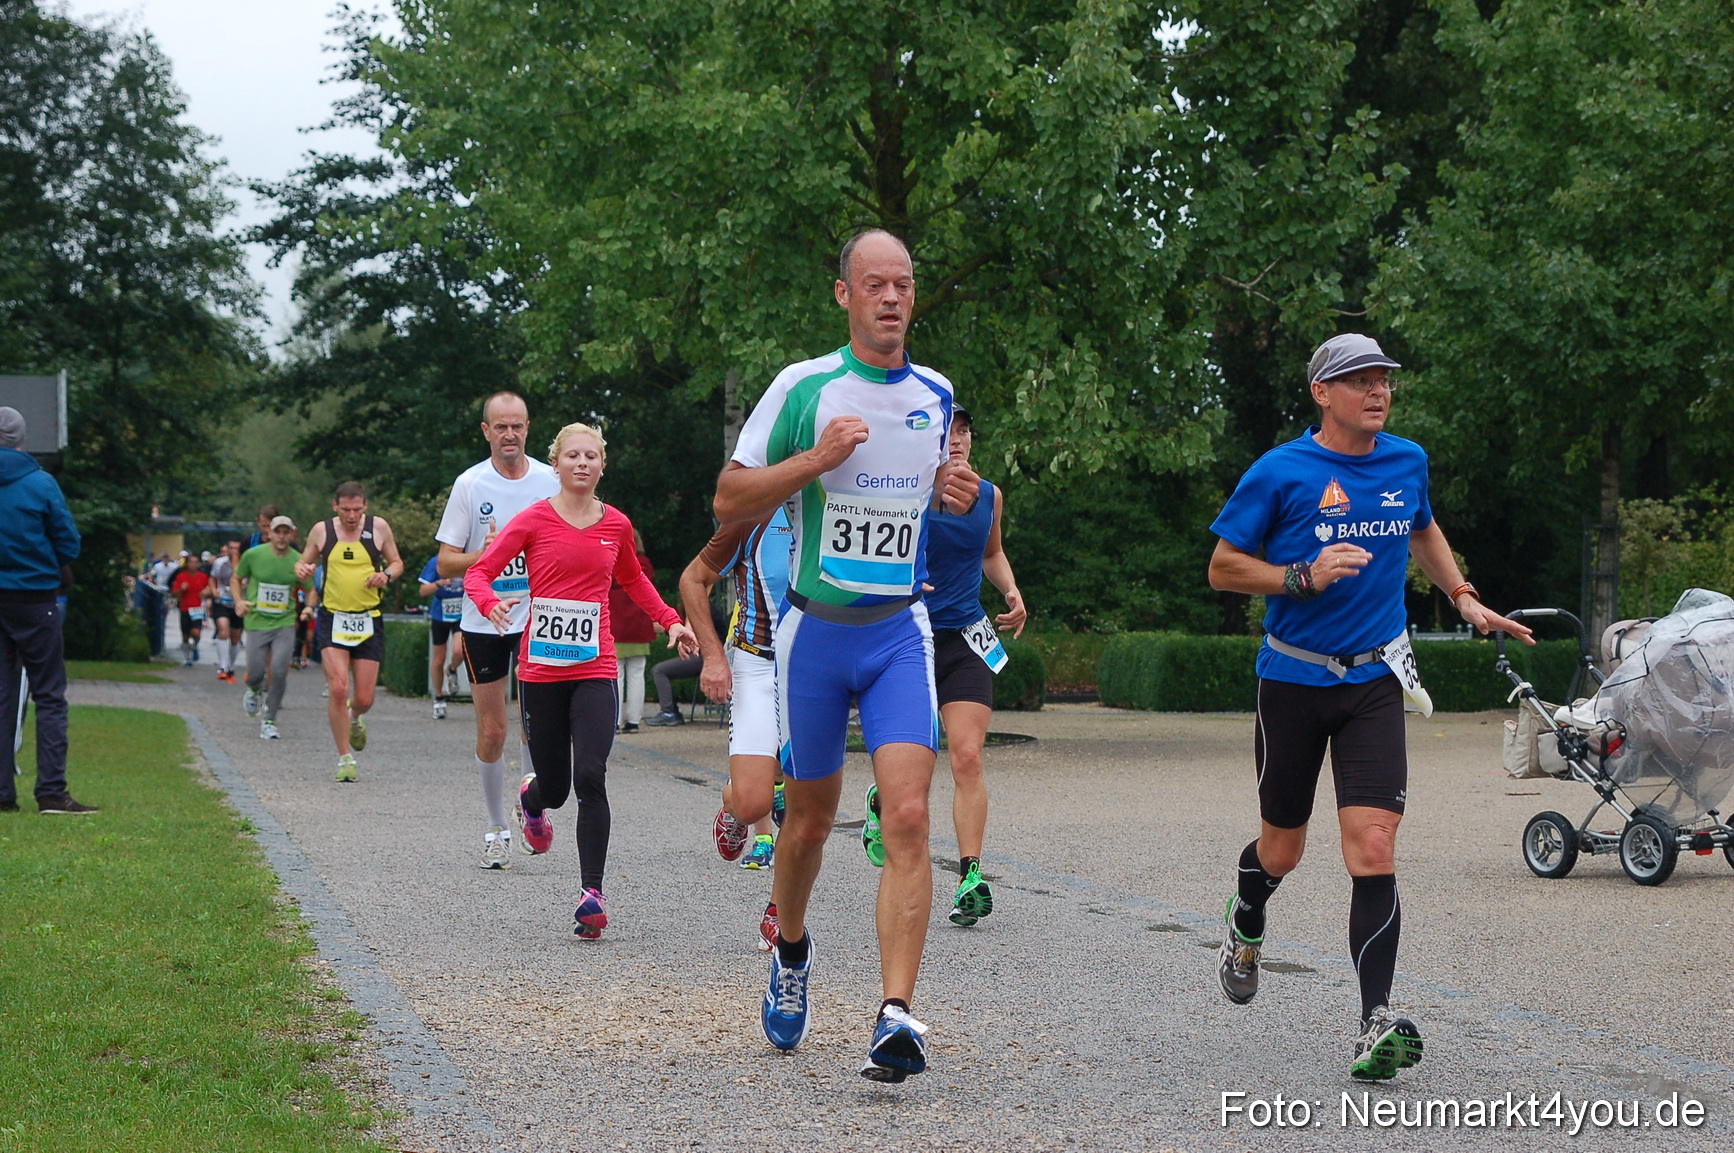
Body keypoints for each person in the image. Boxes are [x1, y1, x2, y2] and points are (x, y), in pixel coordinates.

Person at [1206, 332, 1535, 1081]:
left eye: (1383, 378)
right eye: (1359, 380)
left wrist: (1464, 596)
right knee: (1281, 849)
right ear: (1322, 393)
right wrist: (1300, 576)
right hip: (1291, 681)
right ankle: (1247, 917)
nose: (1378, 391)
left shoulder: (1407, 460)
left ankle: (1373, 1021)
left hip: (1375, 681)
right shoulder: (1281, 471)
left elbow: (1422, 527)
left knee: (1374, 847)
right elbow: (1223, 567)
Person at [712, 229, 977, 1081]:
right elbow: (728, 495)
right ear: (845, 296)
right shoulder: (805, 387)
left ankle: (897, 1013)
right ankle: (790, 949)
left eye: (904, 284)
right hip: (815, 637)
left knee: (906, 817)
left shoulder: (936, 393)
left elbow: (923, 496)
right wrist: (816, 459)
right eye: (875, 284)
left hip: (900, 634)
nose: (893, 298)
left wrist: (948, 493)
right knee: (808, 822)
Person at [465, 422, 697, 936]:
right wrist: (489, 604)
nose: (583, 464)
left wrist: (671, 620)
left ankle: (592, 894)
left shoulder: (615, 525)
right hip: (543, 671)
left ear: (602, 465)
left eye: (591, 456)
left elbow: (634, 579)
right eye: (572, 456)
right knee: (555, 789)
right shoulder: (532, 520)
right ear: (558, 463)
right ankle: (531, 800)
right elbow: (478, 572)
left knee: (591, 776)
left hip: (594, 669)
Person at [896, 406, 1027, 927]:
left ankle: (970, 875)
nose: (957, 439)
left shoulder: (990, 497)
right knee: (915, 763)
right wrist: (904, 581)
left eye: (965, 430)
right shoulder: (907, 490)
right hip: (911, 638)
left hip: (968, 637)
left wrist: (1012, 590)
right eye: (947, 430)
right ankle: (884, 797)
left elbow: (990, 552)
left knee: (968, 755)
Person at [436, 391, 560, 867]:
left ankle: (533, 812)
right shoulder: (470, 484)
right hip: (484, 618)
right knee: (494, 731)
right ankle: (495, 828)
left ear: (528, 429)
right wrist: (485, 557)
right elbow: (448, 561)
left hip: (538, 616)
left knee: (537, 728)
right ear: (486, 431)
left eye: (518, 426)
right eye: (500, 427)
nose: (510, 434)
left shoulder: (551, 481)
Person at [681, 507, 794, 944]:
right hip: (756, 663)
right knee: (753, 801)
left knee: (803, 804)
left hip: (810, 666)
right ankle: (732, 808)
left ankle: (780, 908)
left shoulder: (833, 503)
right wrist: (713, 657)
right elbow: (694, 579)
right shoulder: (754, 513)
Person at [0, 406, 93, 815]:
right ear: (23, 440)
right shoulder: (41, 484)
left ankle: (2, 794)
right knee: (50, 696)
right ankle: (51, 792)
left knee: (1, 695)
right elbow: (69, 544)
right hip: (36, 601)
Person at [296, 481, 404, 782]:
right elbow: (303, 563)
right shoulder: (322, 531)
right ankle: (345, 757)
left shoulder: (379, 528)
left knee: (365, 698)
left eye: (357, 509)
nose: (352, 516)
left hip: (368, 618)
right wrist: (302, 570)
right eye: (346, 510)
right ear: (335, 507)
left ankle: (354, 716)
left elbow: (397, 563)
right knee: (339, 687)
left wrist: (385, 575)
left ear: (365, 507)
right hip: (334, 617)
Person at [235, 516, 318, 740]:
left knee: (280, 671)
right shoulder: (253, 555)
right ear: (269, 534)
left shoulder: (298, 560)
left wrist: (309, 608)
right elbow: (236, 578)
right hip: (256, 622)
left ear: (292, 534)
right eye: (277, 532)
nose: (281, 537)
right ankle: (254, 689)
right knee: (254, 673)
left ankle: (269, 720)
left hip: (284, 623)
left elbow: (311, 588)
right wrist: (239, 602)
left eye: (286, 532)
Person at [642, 599, 729, 726]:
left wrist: (668, 628)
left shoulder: (700, 607)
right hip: (708, 655)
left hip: (707, 657)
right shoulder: (703, 606)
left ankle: (669, 712)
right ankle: (670, 711)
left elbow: (693, 634)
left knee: (659, 670)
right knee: (660, 670)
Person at [609, 529, 656, 734]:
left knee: (615, 674)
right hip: (638, 627)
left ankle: (615, 721)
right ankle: (634, 721)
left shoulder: (613, 562)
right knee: (637, 674)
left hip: (615, 625)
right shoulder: (645, 565)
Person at [418, 555, 468, 721]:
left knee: (459, 651)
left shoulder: (469, 558)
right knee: (438, 659)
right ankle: (439, 699)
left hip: (461, 613)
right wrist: (440, 583)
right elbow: (422, 591)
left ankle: (452, 669)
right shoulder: (436, 562)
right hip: (440, 612)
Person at [207, 539, 243, 682]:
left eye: (236, 548)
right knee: (223, 631)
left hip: (237, 603)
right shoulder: (219, 563)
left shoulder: (244, 564)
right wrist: (214, 589)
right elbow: (212, 578)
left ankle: (231, 665)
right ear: (227, 549)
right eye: (231, 548)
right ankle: (222, 666)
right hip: (221, 602)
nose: (233, 551)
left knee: (235, 638)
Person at [169, 556, 211, 667]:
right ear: (187, 564)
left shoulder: (203, 576)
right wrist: (181, 589)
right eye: (191, 562)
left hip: (197, 608)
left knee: (196, 632)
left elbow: (209, 589)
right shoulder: (181, 576)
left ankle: (195, 646)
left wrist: (206, 592)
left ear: (198, 564)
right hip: (184, 608)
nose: (193, 565)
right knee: (185, 636)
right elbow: (174, 593)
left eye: (195, 562)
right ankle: (188, 658)